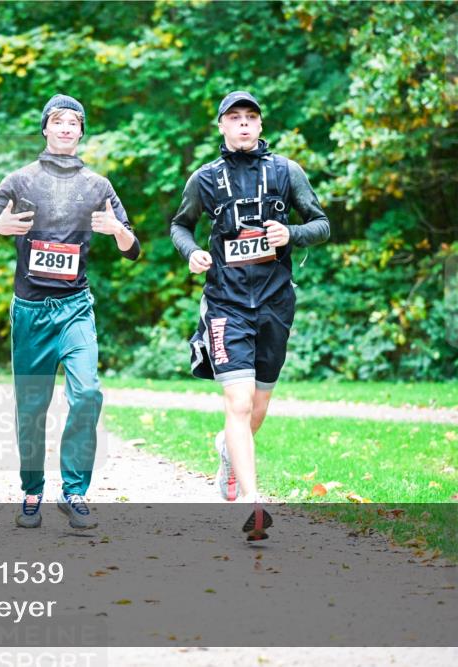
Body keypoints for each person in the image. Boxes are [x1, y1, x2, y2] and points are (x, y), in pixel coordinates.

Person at [0, 94, 141, 530]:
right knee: (31, 407)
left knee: (88, 393)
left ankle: (74, 491)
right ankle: (31, 490)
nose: (65, 128)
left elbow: (133, 248)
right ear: (45, 128)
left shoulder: (98, 186)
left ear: (81, 132)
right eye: (57, 121)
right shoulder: (20, 180)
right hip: (30, 311)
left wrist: (117, 230)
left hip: (75, 307)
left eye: (73, 122)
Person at [169, 91, 330, 539]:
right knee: (237, 403)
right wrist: (192, 251)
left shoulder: (286, 171)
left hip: (275, 304)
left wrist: (290, 233)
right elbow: (180, 225)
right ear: (221, 126)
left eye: (250, 117)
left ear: (260, 126)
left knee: (257, 407)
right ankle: (254, 505)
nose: (243, 123)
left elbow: (321, 224)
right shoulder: (205, 179)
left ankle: (228, 451)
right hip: (226, 303)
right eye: (234, 117)